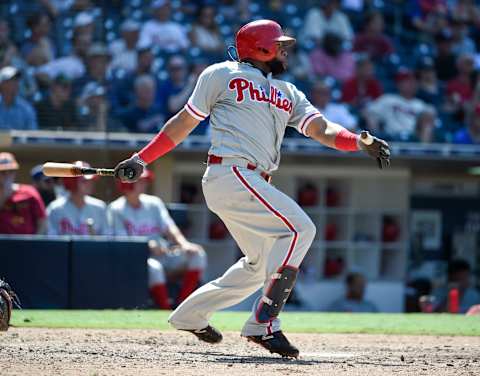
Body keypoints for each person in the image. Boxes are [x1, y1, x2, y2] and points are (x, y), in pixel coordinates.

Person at [113, 20, 390, 358]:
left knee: (258, 265)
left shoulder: (289, 92)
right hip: (232, 172)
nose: (285, 51)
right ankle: (264, 324)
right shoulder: (221, 74)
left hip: (248, 181)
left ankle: (190, 315)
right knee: (300, 228)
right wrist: (142, 158)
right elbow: (184, 122)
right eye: (279, 45)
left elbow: (323, 130)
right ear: (262, 48)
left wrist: (358, 142)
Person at [108, 169, 207, 309]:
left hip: (163, 253)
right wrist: (148, 245)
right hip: (138, 259)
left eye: (143, 181)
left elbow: (169, 227)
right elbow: (122, 241)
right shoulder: (116, 209)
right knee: (155, 269)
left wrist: (184, 244)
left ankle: (182, 306)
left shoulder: (153, 203)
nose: (144, 184)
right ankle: (164, 309)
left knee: (197, 254)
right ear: (127, 184)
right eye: (139, 181)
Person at [364, 68, 432, 140]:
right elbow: (367, 112)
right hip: (391, 139)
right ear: (399, 84)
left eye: (414, 81)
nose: (412, 83)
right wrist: (376, 132)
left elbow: (430, 118)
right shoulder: (388, 99)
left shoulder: (420, 104)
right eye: (407, 81)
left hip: (413, 140)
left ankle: (423, 149)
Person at [47, 161, 109, 235]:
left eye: (91, 181)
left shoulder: (99, 207)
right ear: (72, 182)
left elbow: (107, 238)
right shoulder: (55, 208)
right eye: (85, 181)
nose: (90, 184)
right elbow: (51, 238)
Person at [0, 152, 47, 234]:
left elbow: (42, 222)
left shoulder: (29, 192)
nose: (7, 175)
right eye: (3, 172)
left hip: (26, 244)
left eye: (10, 171)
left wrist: (35, 243)